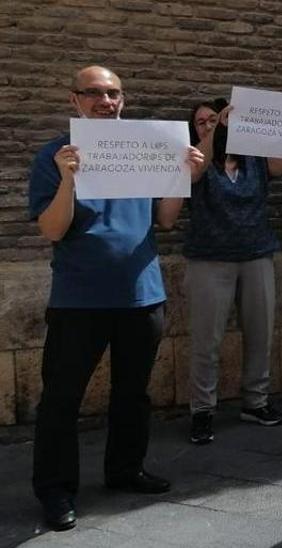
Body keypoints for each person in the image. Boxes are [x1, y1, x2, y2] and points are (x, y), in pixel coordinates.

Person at [28, 66, 205, 531]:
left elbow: (165, 220)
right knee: (62, 400)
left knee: (133, 394)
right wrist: (68, 179)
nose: (106, 102)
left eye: (114, 94)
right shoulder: (54, 155)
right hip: (78, 300)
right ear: (75, 101)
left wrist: (181, 177)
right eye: (95, 94)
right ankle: (55, 490)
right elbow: (52, 229)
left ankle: (125, 470)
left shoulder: (142, 151)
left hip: (141, 295)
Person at [180, 99, 282, 444]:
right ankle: (202, 410)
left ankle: (255, 402)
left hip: (257, 256)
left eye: (213, 119)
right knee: (206, 340)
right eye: (201, 122)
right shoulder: (193, 160)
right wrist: (214, 133)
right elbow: (192, 175)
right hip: (209, 260)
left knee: (261, 333)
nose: (208, 125)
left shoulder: (255, 160)